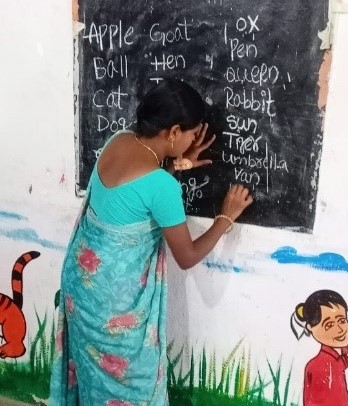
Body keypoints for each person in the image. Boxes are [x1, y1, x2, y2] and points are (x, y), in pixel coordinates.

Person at [49, 79, 253, 405]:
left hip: (82, 289)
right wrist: (225, 218)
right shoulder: (162, 187)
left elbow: (134, 197)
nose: (193, 141)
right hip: (115, 307)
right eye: (192, 134)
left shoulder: (118, 139)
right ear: (174, 131)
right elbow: (186, 256)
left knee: (93, 379)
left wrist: (177, 163)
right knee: (132, 388)